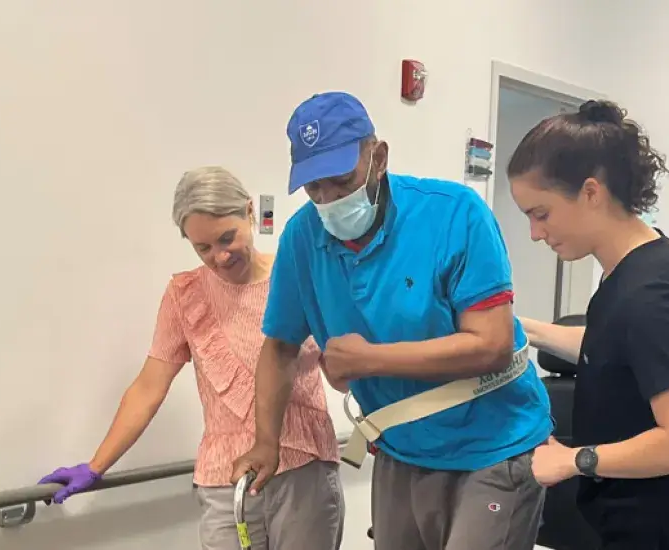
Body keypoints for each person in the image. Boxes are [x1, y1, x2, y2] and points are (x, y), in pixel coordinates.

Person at [231, 91, 551, 550]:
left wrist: (370, 360)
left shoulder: (455, 214)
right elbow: (280, 346)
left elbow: (491, 344)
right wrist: (266, 441)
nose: (328, 200)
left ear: (378, 157)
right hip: (401, 447)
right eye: (313, 188)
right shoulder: (303, 236)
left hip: (492, 445)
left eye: (341, 182)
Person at [38, 166, 345, 550]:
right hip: (225, 482)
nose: (219, 256)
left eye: (226, 238)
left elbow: (344, 367)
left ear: (250, 212)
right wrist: (96, 465)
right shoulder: (185, 296)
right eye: (203, 248)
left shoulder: (298, 274)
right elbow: (149, 387)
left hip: (303, 469)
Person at [508, 100, 669, 548]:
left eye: (541, 214)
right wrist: (524, 330)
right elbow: (613, 349)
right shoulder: (632, 269)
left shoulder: (654, 293)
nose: (535, 234)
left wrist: (574, 460)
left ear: (591, 193)